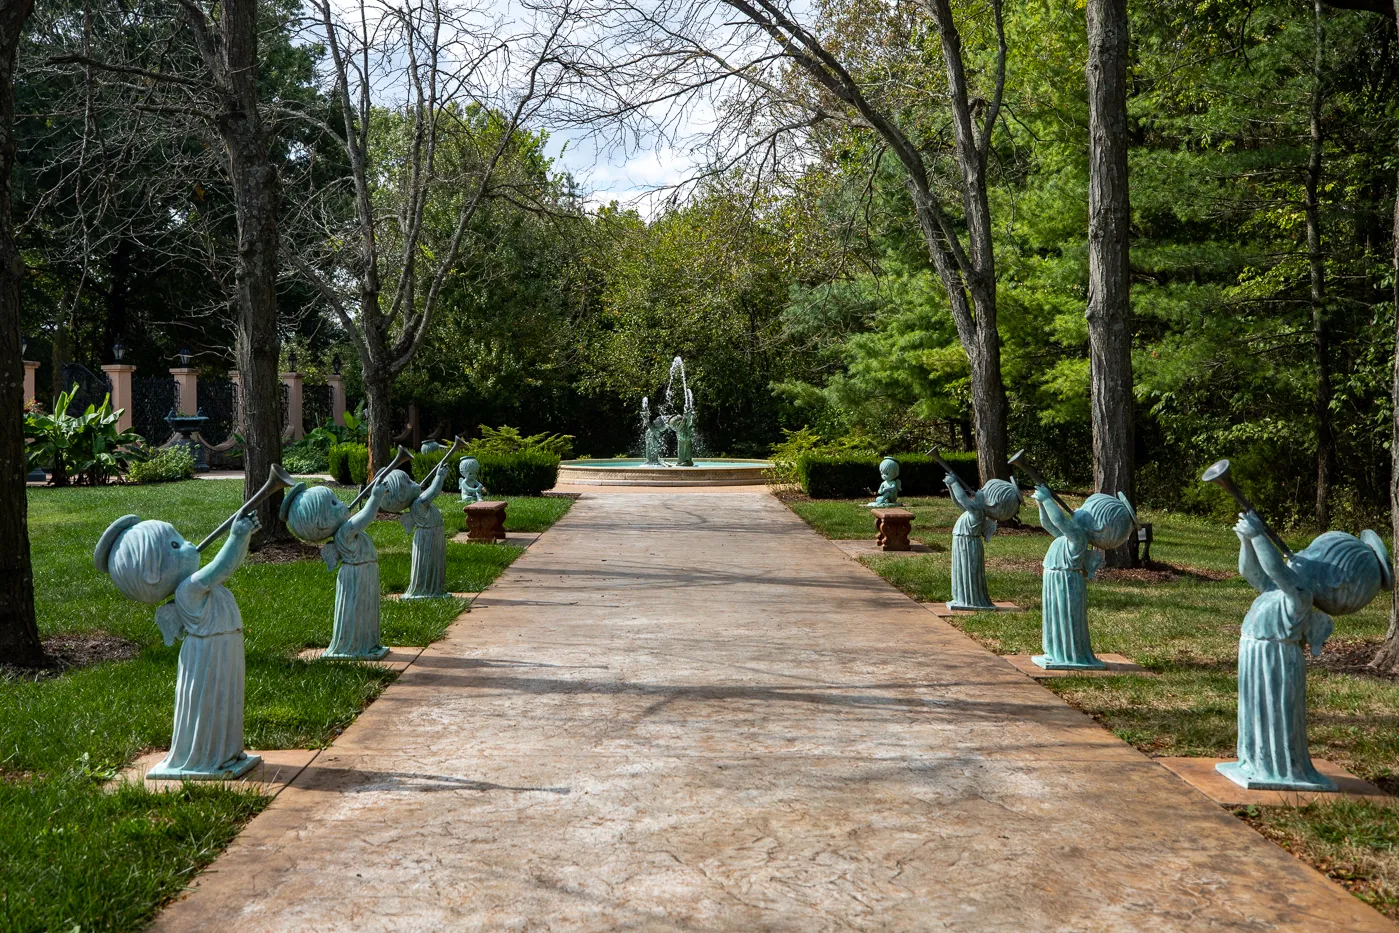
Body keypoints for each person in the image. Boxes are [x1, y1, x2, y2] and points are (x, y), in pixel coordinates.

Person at [1221, 516, 1390, 790]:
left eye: (1312, 555)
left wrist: (1259, 536)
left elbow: (1277, 569)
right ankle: (1253, 762)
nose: (1299, 554)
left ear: (1334, 580)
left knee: (1274, 714)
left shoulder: (1300, 595)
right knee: (1255, 712)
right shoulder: (1278, 590)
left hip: (1276, 663)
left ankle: (1279, 768)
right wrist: (1246, 541)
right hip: (1255, 655)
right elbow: (1250, 572)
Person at [95, 510, 261, 779]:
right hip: (209, 656)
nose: (189, 545)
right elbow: (222, 568)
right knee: (211, 702)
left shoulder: (193, 587)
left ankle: (226, 751)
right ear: (153, 574)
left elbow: (229, 567)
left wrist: (243, 538)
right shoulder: (188, 590)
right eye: (175, 545)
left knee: (226, 699)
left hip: (223, 649)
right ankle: (207, 756)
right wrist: (237, 536)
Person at [282, 478, 390, 660]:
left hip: (364, 573)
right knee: (357, 610)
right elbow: (367, 516)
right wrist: (376, 497)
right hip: (356, 577)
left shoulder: (344, 532)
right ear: (322, 523)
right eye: (334, 503)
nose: (341, 504)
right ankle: (354, 646)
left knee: (366, 609)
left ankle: (367, 643)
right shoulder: (345, 533)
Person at [1033, 489, 1135, 669]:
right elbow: (1048, 524)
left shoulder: (1078, 537)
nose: (1077, 509)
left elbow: (1060, 521)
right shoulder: (1069, 537)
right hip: (1055, 580)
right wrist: (1041, 504)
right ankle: (1055, 652)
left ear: (1098, 526)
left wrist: (1048, 500)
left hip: (1066, 583)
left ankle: (1069, 654)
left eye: (1084, 510)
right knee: (1054, 616)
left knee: (1065, 618)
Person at [945, 474, 1022, 610]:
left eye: (984, 490)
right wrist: (951, 487)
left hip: (968, 546)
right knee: (962, 572)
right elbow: (959, 502)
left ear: (992, 502)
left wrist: (955, 483)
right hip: (963, 544)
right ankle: (961, 598)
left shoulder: (978, 512)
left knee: (967, 573)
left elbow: (964, 500)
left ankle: (970, 600)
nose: (980, 490)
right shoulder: (975, 511)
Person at [381, 468, 449, 599]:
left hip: (432, 535)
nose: (414, 482)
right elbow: (433, 492)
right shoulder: (418, 504)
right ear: (403, 494)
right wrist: (439, 476)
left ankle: (434, 589)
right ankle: (426, 590)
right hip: (428, 538)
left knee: (433, 563)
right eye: (409, 482)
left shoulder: (416, 504)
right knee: (428, 563)